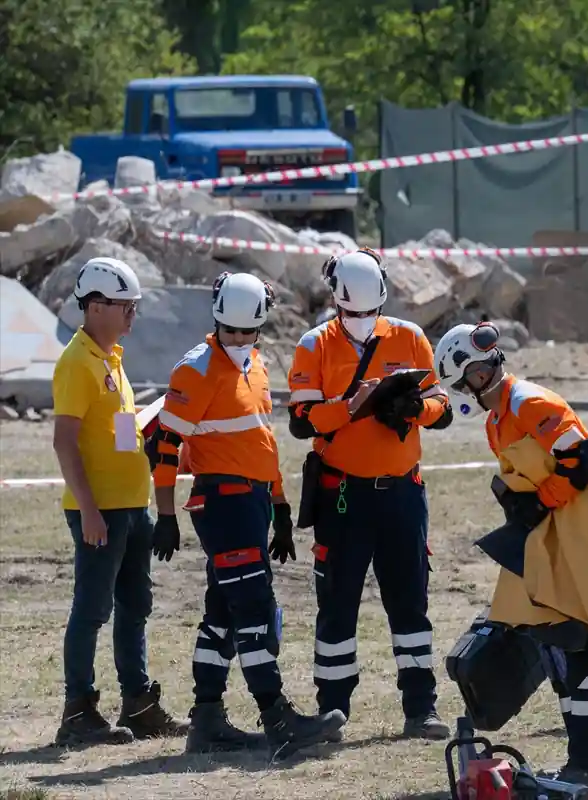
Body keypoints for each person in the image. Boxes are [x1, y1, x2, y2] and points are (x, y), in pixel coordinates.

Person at [147, 271, 346, 757]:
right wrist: (166, 514)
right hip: (223, 504)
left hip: (251, 502)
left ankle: (207, 719)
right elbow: (164, 444)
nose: (238, 340)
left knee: (222, 614)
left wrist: (278, 504)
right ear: (216, 320)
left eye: (247, 332)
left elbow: (261, 439)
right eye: (230, 332)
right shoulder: (195, 369)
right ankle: (278, 719)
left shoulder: (254, 364)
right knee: (255, 611)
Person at [432, 321, 588, 790]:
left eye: (469, 379)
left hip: (576, 537)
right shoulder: (498, 419)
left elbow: (582, 459)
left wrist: (543, 500)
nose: (471, 388)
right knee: (561, 648)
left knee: (574, 648)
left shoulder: (528, 403)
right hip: (553, 540)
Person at [287, 248, 452, 739]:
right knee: (337, 603)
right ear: (335, 302)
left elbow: (442, 405)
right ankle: (332, 709)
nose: (362, 321)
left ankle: (421, 707)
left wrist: (413, 410)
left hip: (402, 495)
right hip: (343, 497)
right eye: (353, 313)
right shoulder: (313, 345)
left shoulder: (410, 336)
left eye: (370, 312)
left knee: (411, 603)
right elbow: (301, 421)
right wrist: (351, 408)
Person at [50, 257, 187, 746]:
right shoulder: (76, 363)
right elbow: (64, 440)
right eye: (125, 306)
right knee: (91, 608)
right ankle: (78, 711)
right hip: (101, 509)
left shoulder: (113, 361)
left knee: (135, 605)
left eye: (134, 306)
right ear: (95, 307)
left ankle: (138, 704)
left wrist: (150, 447)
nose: (133, 314)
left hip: (133, 504)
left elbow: (122, 435)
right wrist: (87, 508)